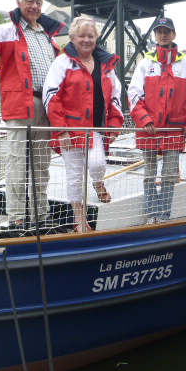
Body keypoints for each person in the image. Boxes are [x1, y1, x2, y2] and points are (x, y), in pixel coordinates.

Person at [0, 0, 64, 230]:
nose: (34, 6)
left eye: (38, 2)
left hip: (46, 104)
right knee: (18, 161)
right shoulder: (6, 30)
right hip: (22, 103)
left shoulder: (48, 35)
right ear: (19, 2)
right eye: (30, 1)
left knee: (42, 163)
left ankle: (41, 214)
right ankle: (17, 217)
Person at [43, 17, 124, 232]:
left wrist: (114, 125)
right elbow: (51, 96)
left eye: (91, 36)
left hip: (95, 128)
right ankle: (80, 219)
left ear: (96, 39)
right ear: (72, 38)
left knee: (97, 163)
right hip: (70, 129)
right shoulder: (62, 62)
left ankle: (98, 183)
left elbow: (116, 96)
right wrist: (61, 130)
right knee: (74, 174)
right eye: (82, 36)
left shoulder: (106, 65)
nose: (86, 40)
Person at [128, 17, 186, 224]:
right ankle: (151, 212)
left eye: (167, 31)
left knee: (169, 175)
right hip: (149, 130)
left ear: (174, 34)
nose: (163, 34)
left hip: (174, 131)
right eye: (159, 31)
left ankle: (163, 216)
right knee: (149, 173)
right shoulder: (145, 63)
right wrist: (145, 120)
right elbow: (134, 95)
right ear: (155, 35)